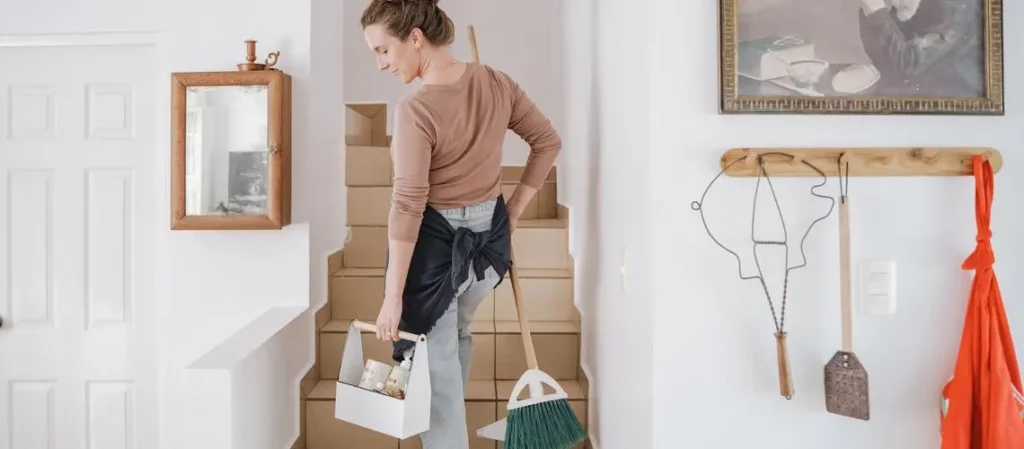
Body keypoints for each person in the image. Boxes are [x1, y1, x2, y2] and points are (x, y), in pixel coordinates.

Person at [360, 0, 562, 447]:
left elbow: (409, 204)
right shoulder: (496, 81)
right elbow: (547, 141)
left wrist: (393, 298)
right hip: (488, 244)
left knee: (436, 366)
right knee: (454, 342)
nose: (381, 64)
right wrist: (512, 210)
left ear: (415, 37)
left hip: (436, 252)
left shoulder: (416, 109)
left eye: (384, 51)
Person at [857, 0, 984, 97]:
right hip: (903, 102)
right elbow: (887, 66)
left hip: (950, 107)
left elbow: (906, 64)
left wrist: (876, 14)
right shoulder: (895, 6)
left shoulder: (955, 9)